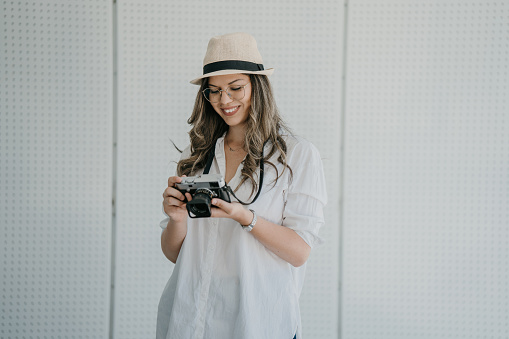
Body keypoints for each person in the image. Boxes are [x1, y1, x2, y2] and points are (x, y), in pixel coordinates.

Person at [157, 32, 327, 339]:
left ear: (257, 87)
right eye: (214, 91)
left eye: (235, 88)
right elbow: (174, 254)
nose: (224, 100)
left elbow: (300, 252)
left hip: (257, 322)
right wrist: (176, 218)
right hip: (190, 318)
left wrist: (244, 217)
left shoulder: (297, 155)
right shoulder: (196, 154)